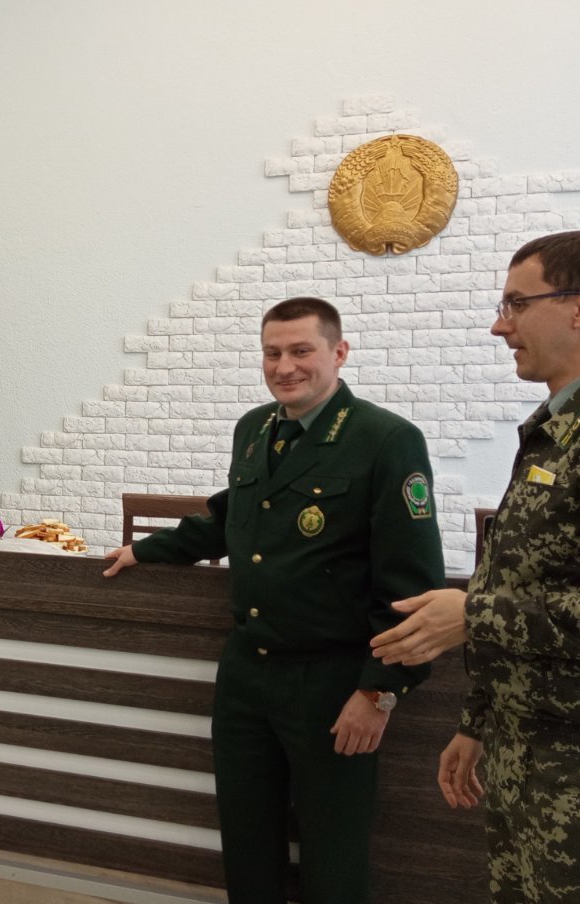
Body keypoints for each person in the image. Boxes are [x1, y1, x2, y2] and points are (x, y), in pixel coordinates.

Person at [102, 297, 445, 903]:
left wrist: (379, 692)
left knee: (333, 849)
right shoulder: (256, 428)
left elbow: (411, 589)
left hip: (333, 681)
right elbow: (229, 517)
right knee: (247, 838)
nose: (284, 366)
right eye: (272, 352)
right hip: (247, 674)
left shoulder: (385, 440)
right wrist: (147, 550)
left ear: (339, 353)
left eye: (301, 350)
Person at [370, 230, 580, 902]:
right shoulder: (558, 428)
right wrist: (479, 721)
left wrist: (473, 612)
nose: (501, 326)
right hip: (525, 753)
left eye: (517, 304)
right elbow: (526, 582)